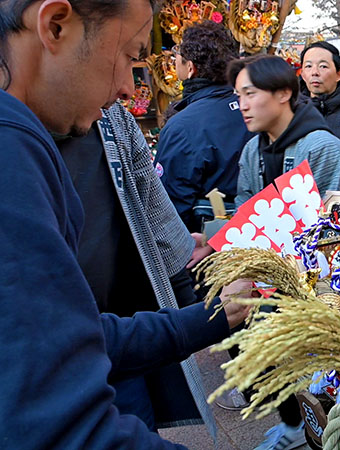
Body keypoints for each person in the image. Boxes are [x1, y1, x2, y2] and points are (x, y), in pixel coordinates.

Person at [0, 0, 250, 447]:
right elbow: (65, 427)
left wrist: (208, 316)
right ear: (56, 26)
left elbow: (71, 333)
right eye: (132, 57)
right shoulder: (11, 147)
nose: (126, 89)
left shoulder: (34, 131)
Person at [56, 101, 226, 432]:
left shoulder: (114, 118)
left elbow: (159, 217)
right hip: (52, 353)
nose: (128, 88)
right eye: (125, 57)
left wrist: (187, 282)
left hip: (122, 330)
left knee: (135, 422)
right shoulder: (18, 141)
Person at [155, 20, 253, 233]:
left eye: (177, 59)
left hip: (205, 246)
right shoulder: (257, 108)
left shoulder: (182, 127)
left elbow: (167, 209)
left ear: (190, 68)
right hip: (259, 232)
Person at [232, 55, 340, 208]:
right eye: (239, 96)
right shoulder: (252, 150)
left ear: (284, 93)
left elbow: (333, 222)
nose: (242, 106)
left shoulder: (324, 149)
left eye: (250, 94)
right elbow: (244, 212)